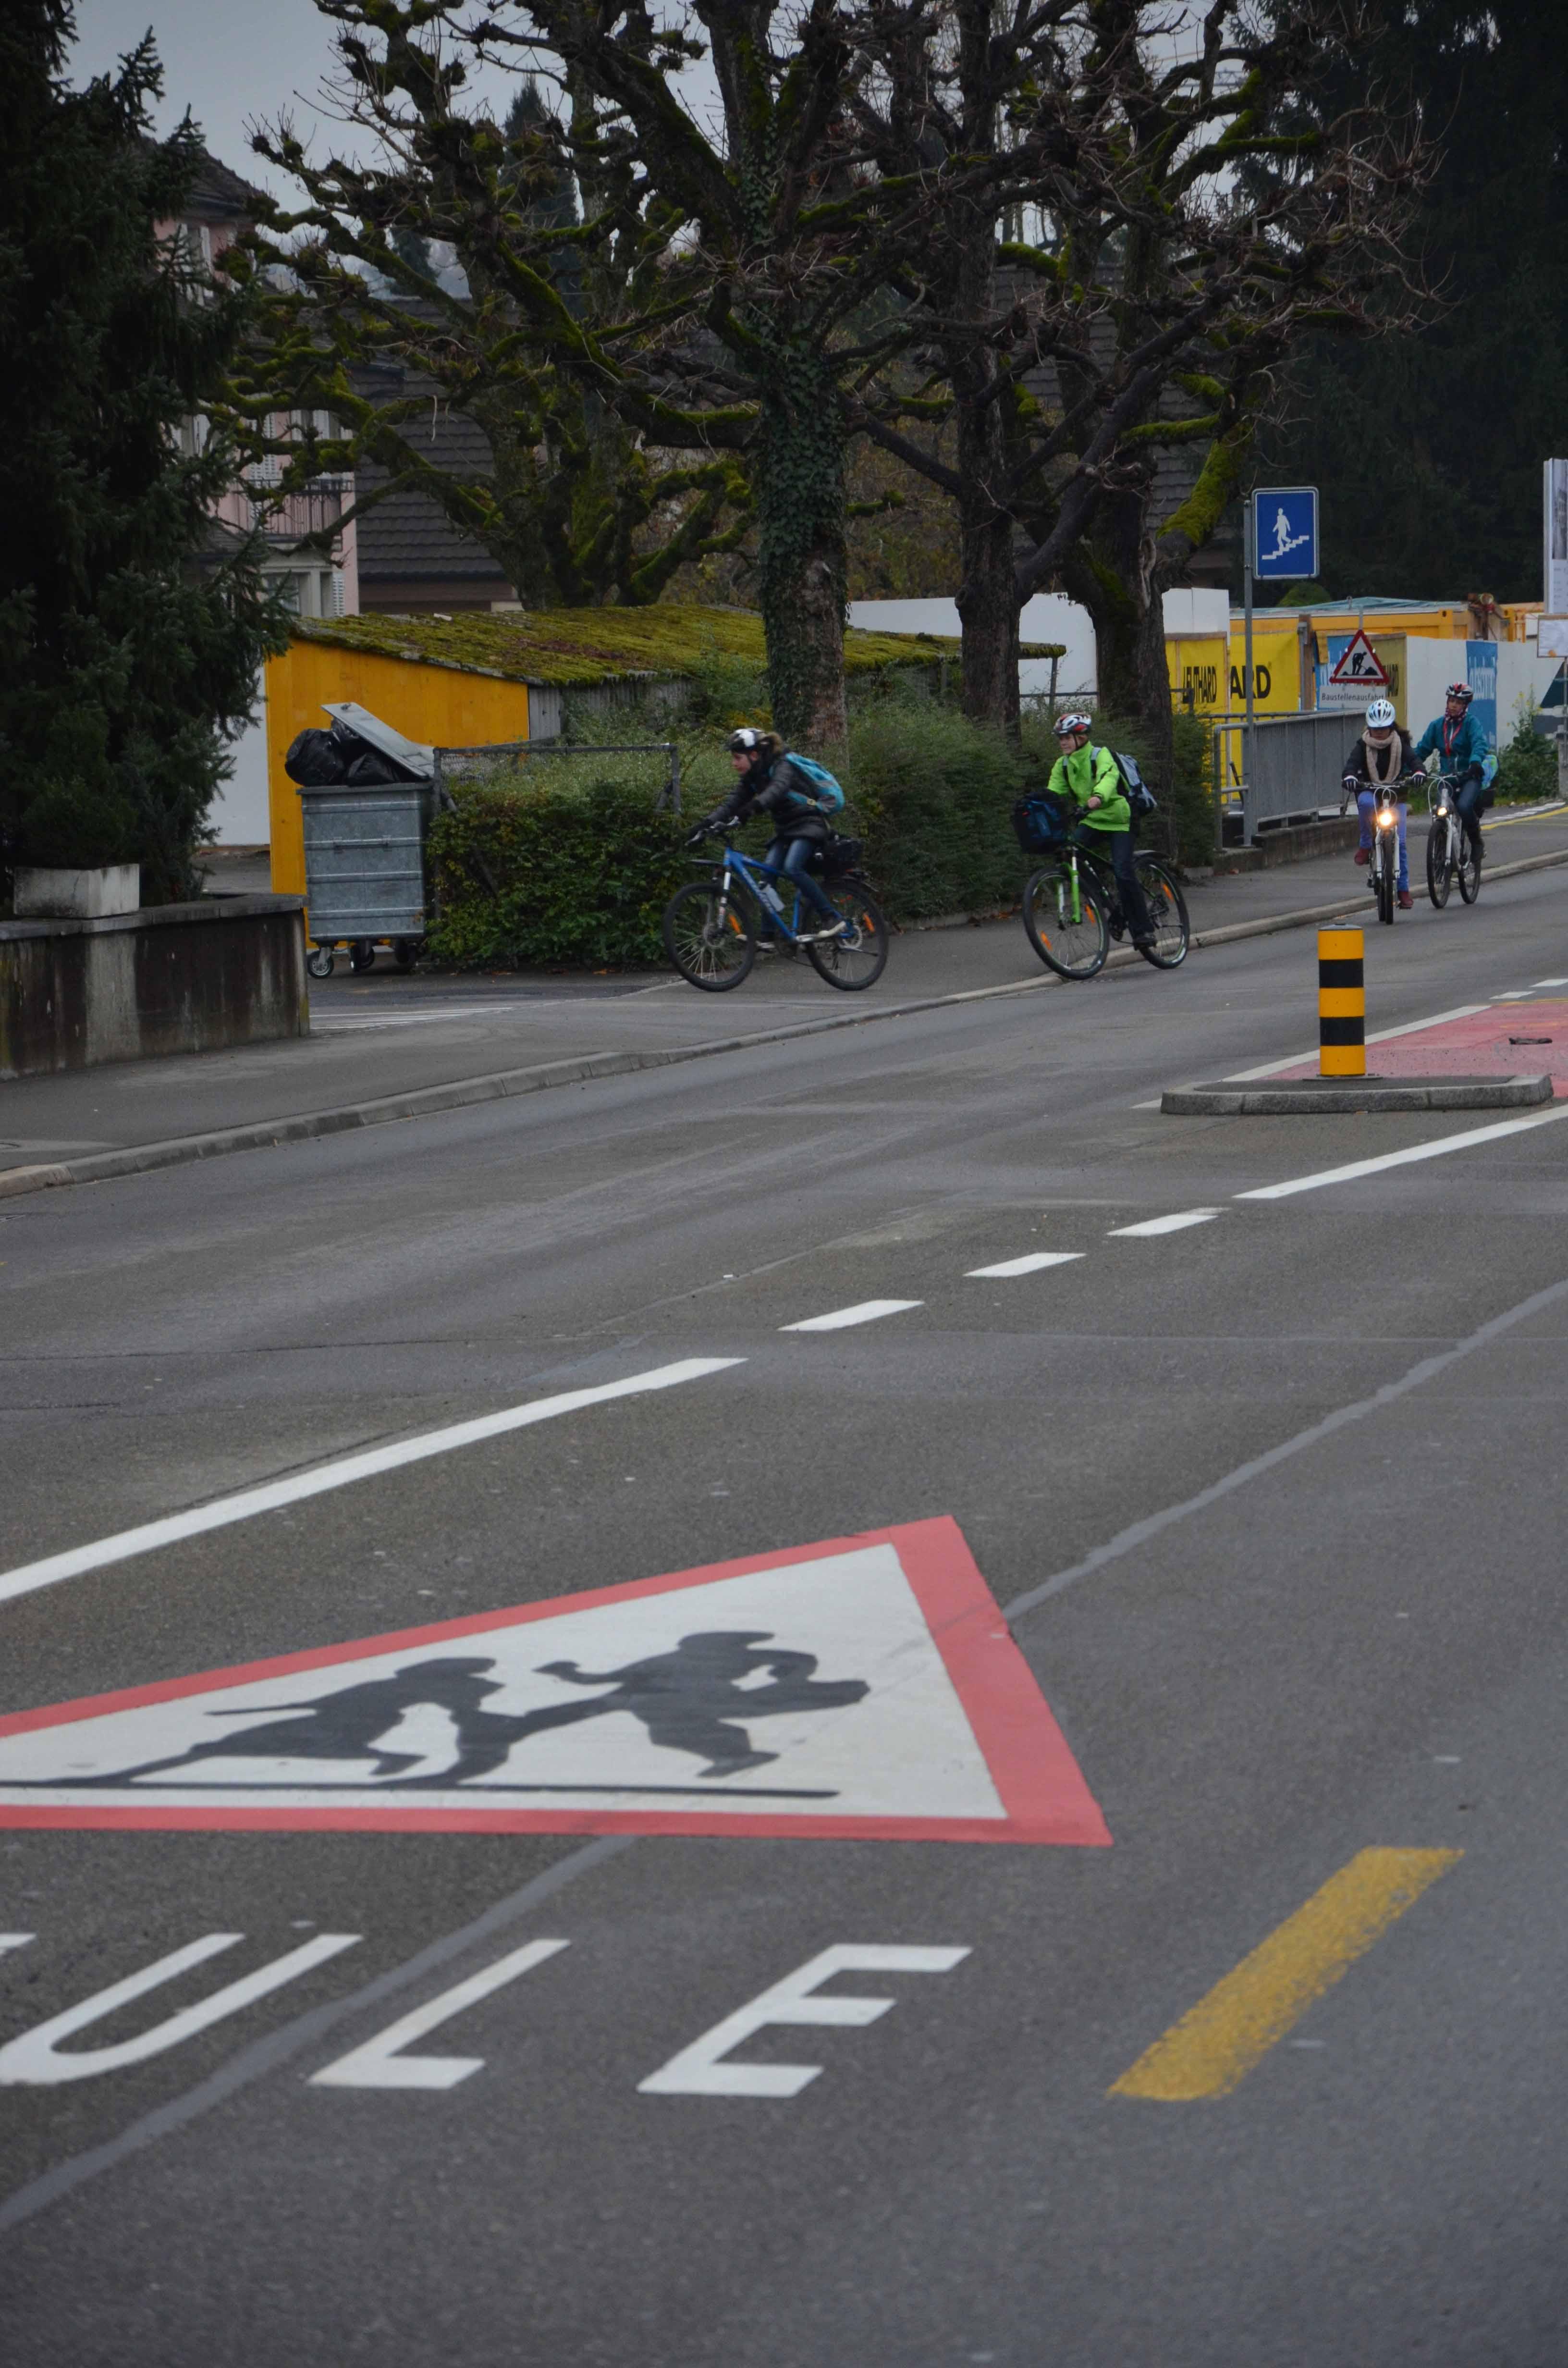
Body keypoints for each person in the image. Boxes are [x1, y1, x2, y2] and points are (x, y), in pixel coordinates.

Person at [698, 728, 845, 942]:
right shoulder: (752, 777)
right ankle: (768, 937)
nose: (734, 763)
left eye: (738, 758)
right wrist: (705, 824)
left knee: (792, 867)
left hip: (810, 824)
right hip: (786, 831)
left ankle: (831, 917)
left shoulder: (783, 765)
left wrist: (753, 807)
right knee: (766, 879)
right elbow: (732, 803)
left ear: (754, 755)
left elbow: (777, 790)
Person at [1045, 712, 1154, 948]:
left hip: (1119, 819)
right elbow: (1052, 795)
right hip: (1092, 820)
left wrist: (1097, 797)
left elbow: (1108, 777)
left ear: (1081, 737)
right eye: (1060, 738)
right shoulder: (1063, 765)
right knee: (1069, 854)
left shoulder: (1100, 755)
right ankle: (1110, 907)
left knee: (1123, 872)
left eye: (1067, 737)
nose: (1062, 742)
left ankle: (1143, 930)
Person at [1343, 698, 1419, 908]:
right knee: (1365, 805)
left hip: (1396, 795)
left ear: (1391, 726)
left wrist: (1419, 772)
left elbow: (1414, 761)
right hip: (1369, 790)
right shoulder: (1363, 745)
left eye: (1383, 728)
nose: (1378, 732)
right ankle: (1366, 844)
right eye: (1375, 728)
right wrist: (1350, 776)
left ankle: (1403, 889)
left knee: (1401, 842)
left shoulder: (1400, 744)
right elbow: (1351, 764)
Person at [1412, 681, 1489, 870]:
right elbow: (1422, 750)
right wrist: (1411, 768)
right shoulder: (1437, 726)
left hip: (1468, 776)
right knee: (1441, 812)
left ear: (1465, 705)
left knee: (1463, 806)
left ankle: (1476, 842)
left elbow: (1479, 743)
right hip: (1446, 778)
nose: (1454, 705)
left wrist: (1475, 762)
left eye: (1458, 702)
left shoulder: (1472, 724)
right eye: (1451, 701)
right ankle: (1441, 850)